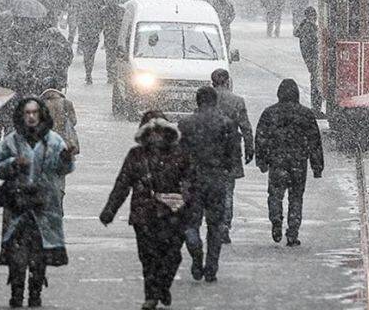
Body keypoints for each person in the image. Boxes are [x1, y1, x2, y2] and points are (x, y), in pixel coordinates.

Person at [99, 111, 190, 310]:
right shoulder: (136, 155)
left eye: (160, 131)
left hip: (173, 214)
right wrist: (109, 210)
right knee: (148, 256)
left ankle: (163, 285)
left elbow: (191, 183)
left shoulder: (180, 155)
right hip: (144, 214)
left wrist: (189, 206)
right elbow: (122, 184)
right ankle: (151, 295)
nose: (156, 136)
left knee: (172, 255)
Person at [0, 97, 74, 308]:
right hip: (17, 207)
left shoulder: (54, 141)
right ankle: (16, 293)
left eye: (34, 113)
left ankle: (35, 293)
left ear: (41, 115)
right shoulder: (11, 141)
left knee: (39, 255)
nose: (31, 117)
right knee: (17, 256)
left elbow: (63, 169)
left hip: (44, 207)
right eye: (27, 113)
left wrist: (66, 159)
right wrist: (14, 164)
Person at [177, 87, 239, 283]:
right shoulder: (226, 124)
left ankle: (195, 250)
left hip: (193, 181)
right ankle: (211, 267)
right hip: (216, 180)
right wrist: (225, 167)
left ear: (197, 101)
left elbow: (179, 155)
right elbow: (232, 154)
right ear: (215, 101)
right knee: (215, 226)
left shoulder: (186, 124)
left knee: (191, 223)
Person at [255, 79, 324, 246]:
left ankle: (276, 220)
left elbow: (261, 139)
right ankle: (293, 233)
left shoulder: (269, 113)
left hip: (277, 162)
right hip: (298, 163)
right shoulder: (306, 114)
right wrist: (317, 166)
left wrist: (262, 160)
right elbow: (314, 141)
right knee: (296, 197)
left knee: (275, 195)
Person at [211, 69, 254, 244]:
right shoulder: (237, 101)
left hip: (209, 150)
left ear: (212, 82)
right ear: (228, 81)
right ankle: (225, 227)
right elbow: (246, 127)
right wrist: (250, 148)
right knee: (228, 191)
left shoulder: (206, 100)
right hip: (230, 150)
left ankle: (213, 224)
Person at [40, 83, 78, 210]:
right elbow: (73, 121)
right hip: (64, 145)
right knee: (61, 174)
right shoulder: (66, 103)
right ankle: (59, 196)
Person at [293, 7, 324, 116]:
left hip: (313, 60)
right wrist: (312, 62)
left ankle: (316, 108)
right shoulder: (308, 28)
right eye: (313, 16)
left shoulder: (307, 27)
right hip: (314, 60)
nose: (314, 18)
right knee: (316, 84)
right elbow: (308, 48)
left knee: (316, 83)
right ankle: (316, 109)